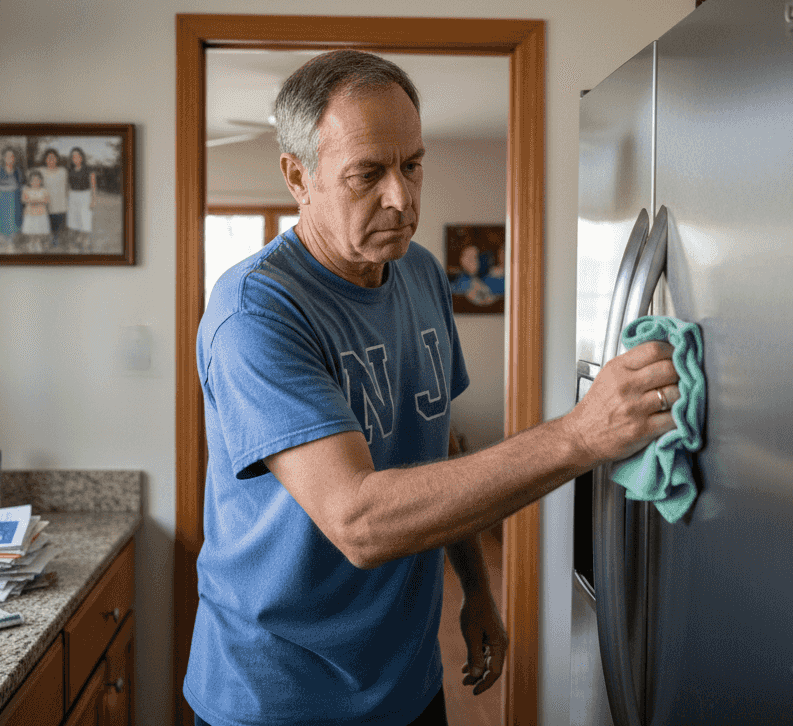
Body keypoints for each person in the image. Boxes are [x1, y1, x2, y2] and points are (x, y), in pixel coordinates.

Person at [186, 50, 679, 726]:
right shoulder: (257, 311)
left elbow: (432, 448)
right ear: (298, 177)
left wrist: (476, 587)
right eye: (367, 174)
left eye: (411, 165)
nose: (402, 197)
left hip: (406, 672)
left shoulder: (417, 273)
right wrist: (578, 435)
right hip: (282, 693)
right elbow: (358, 520)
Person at [36, 148, 69, 247]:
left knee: (57, 224)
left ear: (57, 159)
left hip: (60, 204)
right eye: (49, 158)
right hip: (46, 203)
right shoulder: (40, 171)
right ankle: (47, 239)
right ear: (45, 159)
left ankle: (55, 238)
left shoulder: (63, 171)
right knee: (46, 223)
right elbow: (32, 180)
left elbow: (66, 187)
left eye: (53, 158)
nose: (51, 160)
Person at [66, 147, 97, 250]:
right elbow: (68, 186)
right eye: (73, 156)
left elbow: (93, 186)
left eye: (78, 155)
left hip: (85, 195)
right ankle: (79, 236)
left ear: (82, 157)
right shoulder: (70, 170)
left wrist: (93, 200)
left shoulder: (89, 169)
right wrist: (67, 198)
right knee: (76, 219)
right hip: (73, 196)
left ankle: (85, 239)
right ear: (71, 158)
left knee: (86, 219)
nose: (75, 158)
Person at [0, 147, 23, 245]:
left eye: (12, 156)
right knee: (4, 220)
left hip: (15, 198)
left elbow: (20, 186)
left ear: (14, 158)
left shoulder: (17, 170)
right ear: (4, 157)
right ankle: (7, 242)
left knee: (15, 220)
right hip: (3, 199)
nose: (10, 158)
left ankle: (12, 241)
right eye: (8, 156)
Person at [19, 170, 51, 248]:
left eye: (37, 180)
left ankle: (38, 242)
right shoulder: (26, 190)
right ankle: (31, 241)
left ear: (41, 180)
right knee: (31, 229)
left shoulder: (44, 190)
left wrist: (34, 201)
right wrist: (37, 201)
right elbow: (23, 200)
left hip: (41, 213)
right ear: (29, 181)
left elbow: (46, 200)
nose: (35, 182)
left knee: (39, 229)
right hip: (30, 214)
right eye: (33, 180)